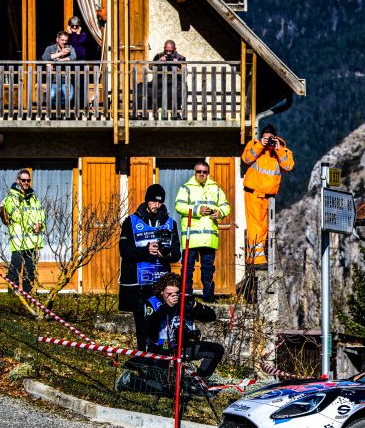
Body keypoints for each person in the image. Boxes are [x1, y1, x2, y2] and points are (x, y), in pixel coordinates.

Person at [118, 184, 182, 350]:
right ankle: (143, 357)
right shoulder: (131, 221)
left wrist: (166, 254)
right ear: (147, 200)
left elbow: (177, 253)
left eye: (160, 202)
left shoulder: (170, 223)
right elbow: (125, 251)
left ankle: (160, 357)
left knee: (161, 324)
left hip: (161, 284)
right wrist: (145, 250)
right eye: (153, 201)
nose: (157, 205)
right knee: (142, 326)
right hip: (139, 285)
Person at [143, 272, 223, 379]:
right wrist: (166, 307)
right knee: (166, 384)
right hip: (162, 347)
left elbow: (211, 316)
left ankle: (198, 382)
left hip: (184, 346)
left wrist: (194, 305)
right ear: (161, 292)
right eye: (169, 294)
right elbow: (148, 328)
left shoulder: (183, 301)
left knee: (216, 350)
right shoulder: (153, 302)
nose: (173, 296)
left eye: (176, 293)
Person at [174, 162, 230, 303]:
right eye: (199, 171)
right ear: (195, 172)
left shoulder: (216, 188)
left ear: (208, 173)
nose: (201, 174)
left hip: (209, 238)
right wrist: (198, 210)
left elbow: (225, 206)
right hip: (191, 237)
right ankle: (186, 296)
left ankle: (208, 297)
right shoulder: (186, 188)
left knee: (208, 269)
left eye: (204, 172)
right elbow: (179, 206)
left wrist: (220, 212)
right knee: (187, 269)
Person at [241, 124, 294, 270]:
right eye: (265, 139)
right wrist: (260, 145)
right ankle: (257, 261)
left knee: (264, 228)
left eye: (270, 139)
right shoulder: (254, 145)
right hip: (252, 193)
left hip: (269, 198)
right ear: (261, 138)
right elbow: (246, 159)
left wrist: (278, 149)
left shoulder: (282, 151)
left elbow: (288, 166)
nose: (268, 142)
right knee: (255, 226)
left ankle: (254, 258)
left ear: (275, 138)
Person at [1, 169, 45, 300]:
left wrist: (40, 224)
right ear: (18, 181)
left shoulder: (34, 198)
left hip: (32, 241)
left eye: (28, 180)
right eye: (23, 180)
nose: (26, 182)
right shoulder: (11, 198)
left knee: (29, 271)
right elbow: (17, 216)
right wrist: (33, 226)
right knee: (15, 269)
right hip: (18, 241)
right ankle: (12, 298)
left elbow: (41, 213)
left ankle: (27, 297)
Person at [41, 30, 77, 111]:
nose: (64, 42)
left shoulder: (69, 47)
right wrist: (60, 54)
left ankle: (62, 111)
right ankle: (56, 112)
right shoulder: (50, 48)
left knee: (69, 97)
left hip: (66, 78)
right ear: (57, 39)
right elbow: (45, 57)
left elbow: (73, 57)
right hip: (53, 79)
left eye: (66, 40)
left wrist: (58, 60)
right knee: (52, 96)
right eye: (62, 40)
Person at [151, 39, 186, 115]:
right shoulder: (159, 55)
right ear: (164, 48)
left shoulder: (180, 58)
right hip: (159, 83)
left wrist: (178, 64)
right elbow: (150, 67)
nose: (168, 53)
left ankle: (176, 114)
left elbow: (185, 72)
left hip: (174, 83)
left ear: (175, 49)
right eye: (166, 51)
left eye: (170, 51)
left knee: (174, 93)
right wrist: (159, 61)